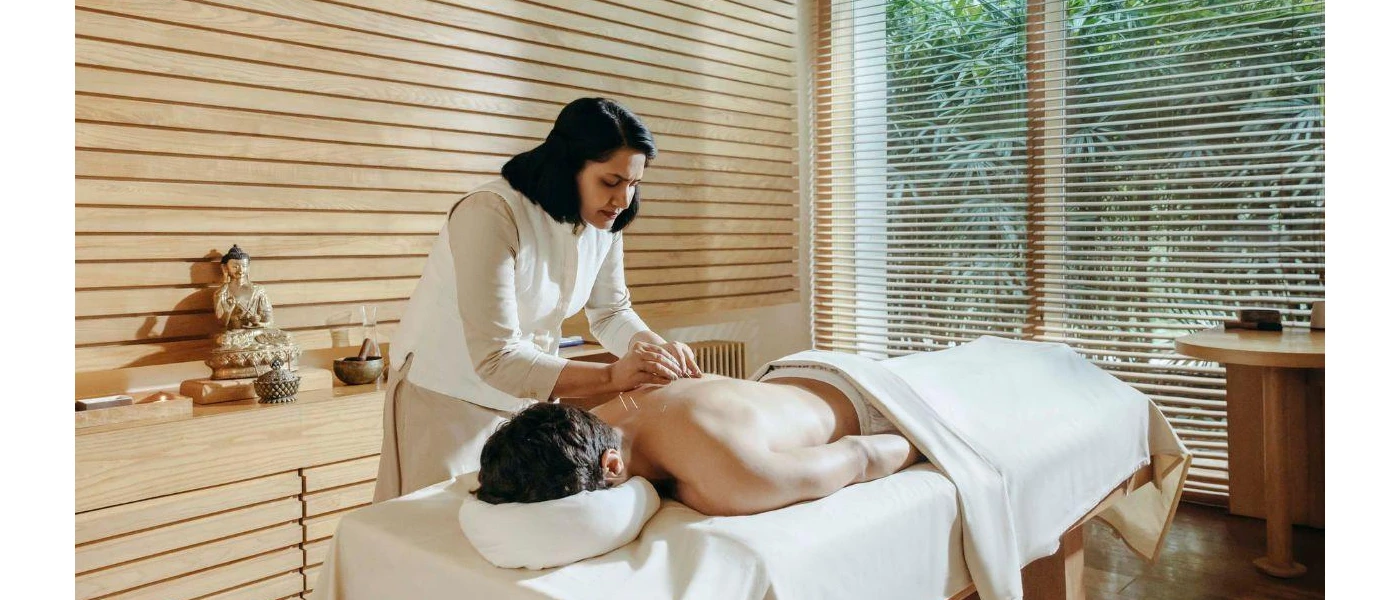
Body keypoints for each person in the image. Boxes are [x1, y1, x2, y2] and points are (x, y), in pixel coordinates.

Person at [375, 98, 703, 502]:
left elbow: (611, 312)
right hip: (444, 398)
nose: (623, 200)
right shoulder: (490, 213)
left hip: (523, 405)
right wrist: (612, 376)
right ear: (569, 166)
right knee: (432, 537)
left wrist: (656, 352)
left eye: (634, 184)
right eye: (611, 181)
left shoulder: (602, 220)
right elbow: (496, 356)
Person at [476, 370, 923, 516]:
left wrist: (938, 433)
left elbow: (860, 455)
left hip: (869, 397)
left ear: (611, 466)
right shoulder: (591, 422)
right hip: (783, 375)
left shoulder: (730, 475)